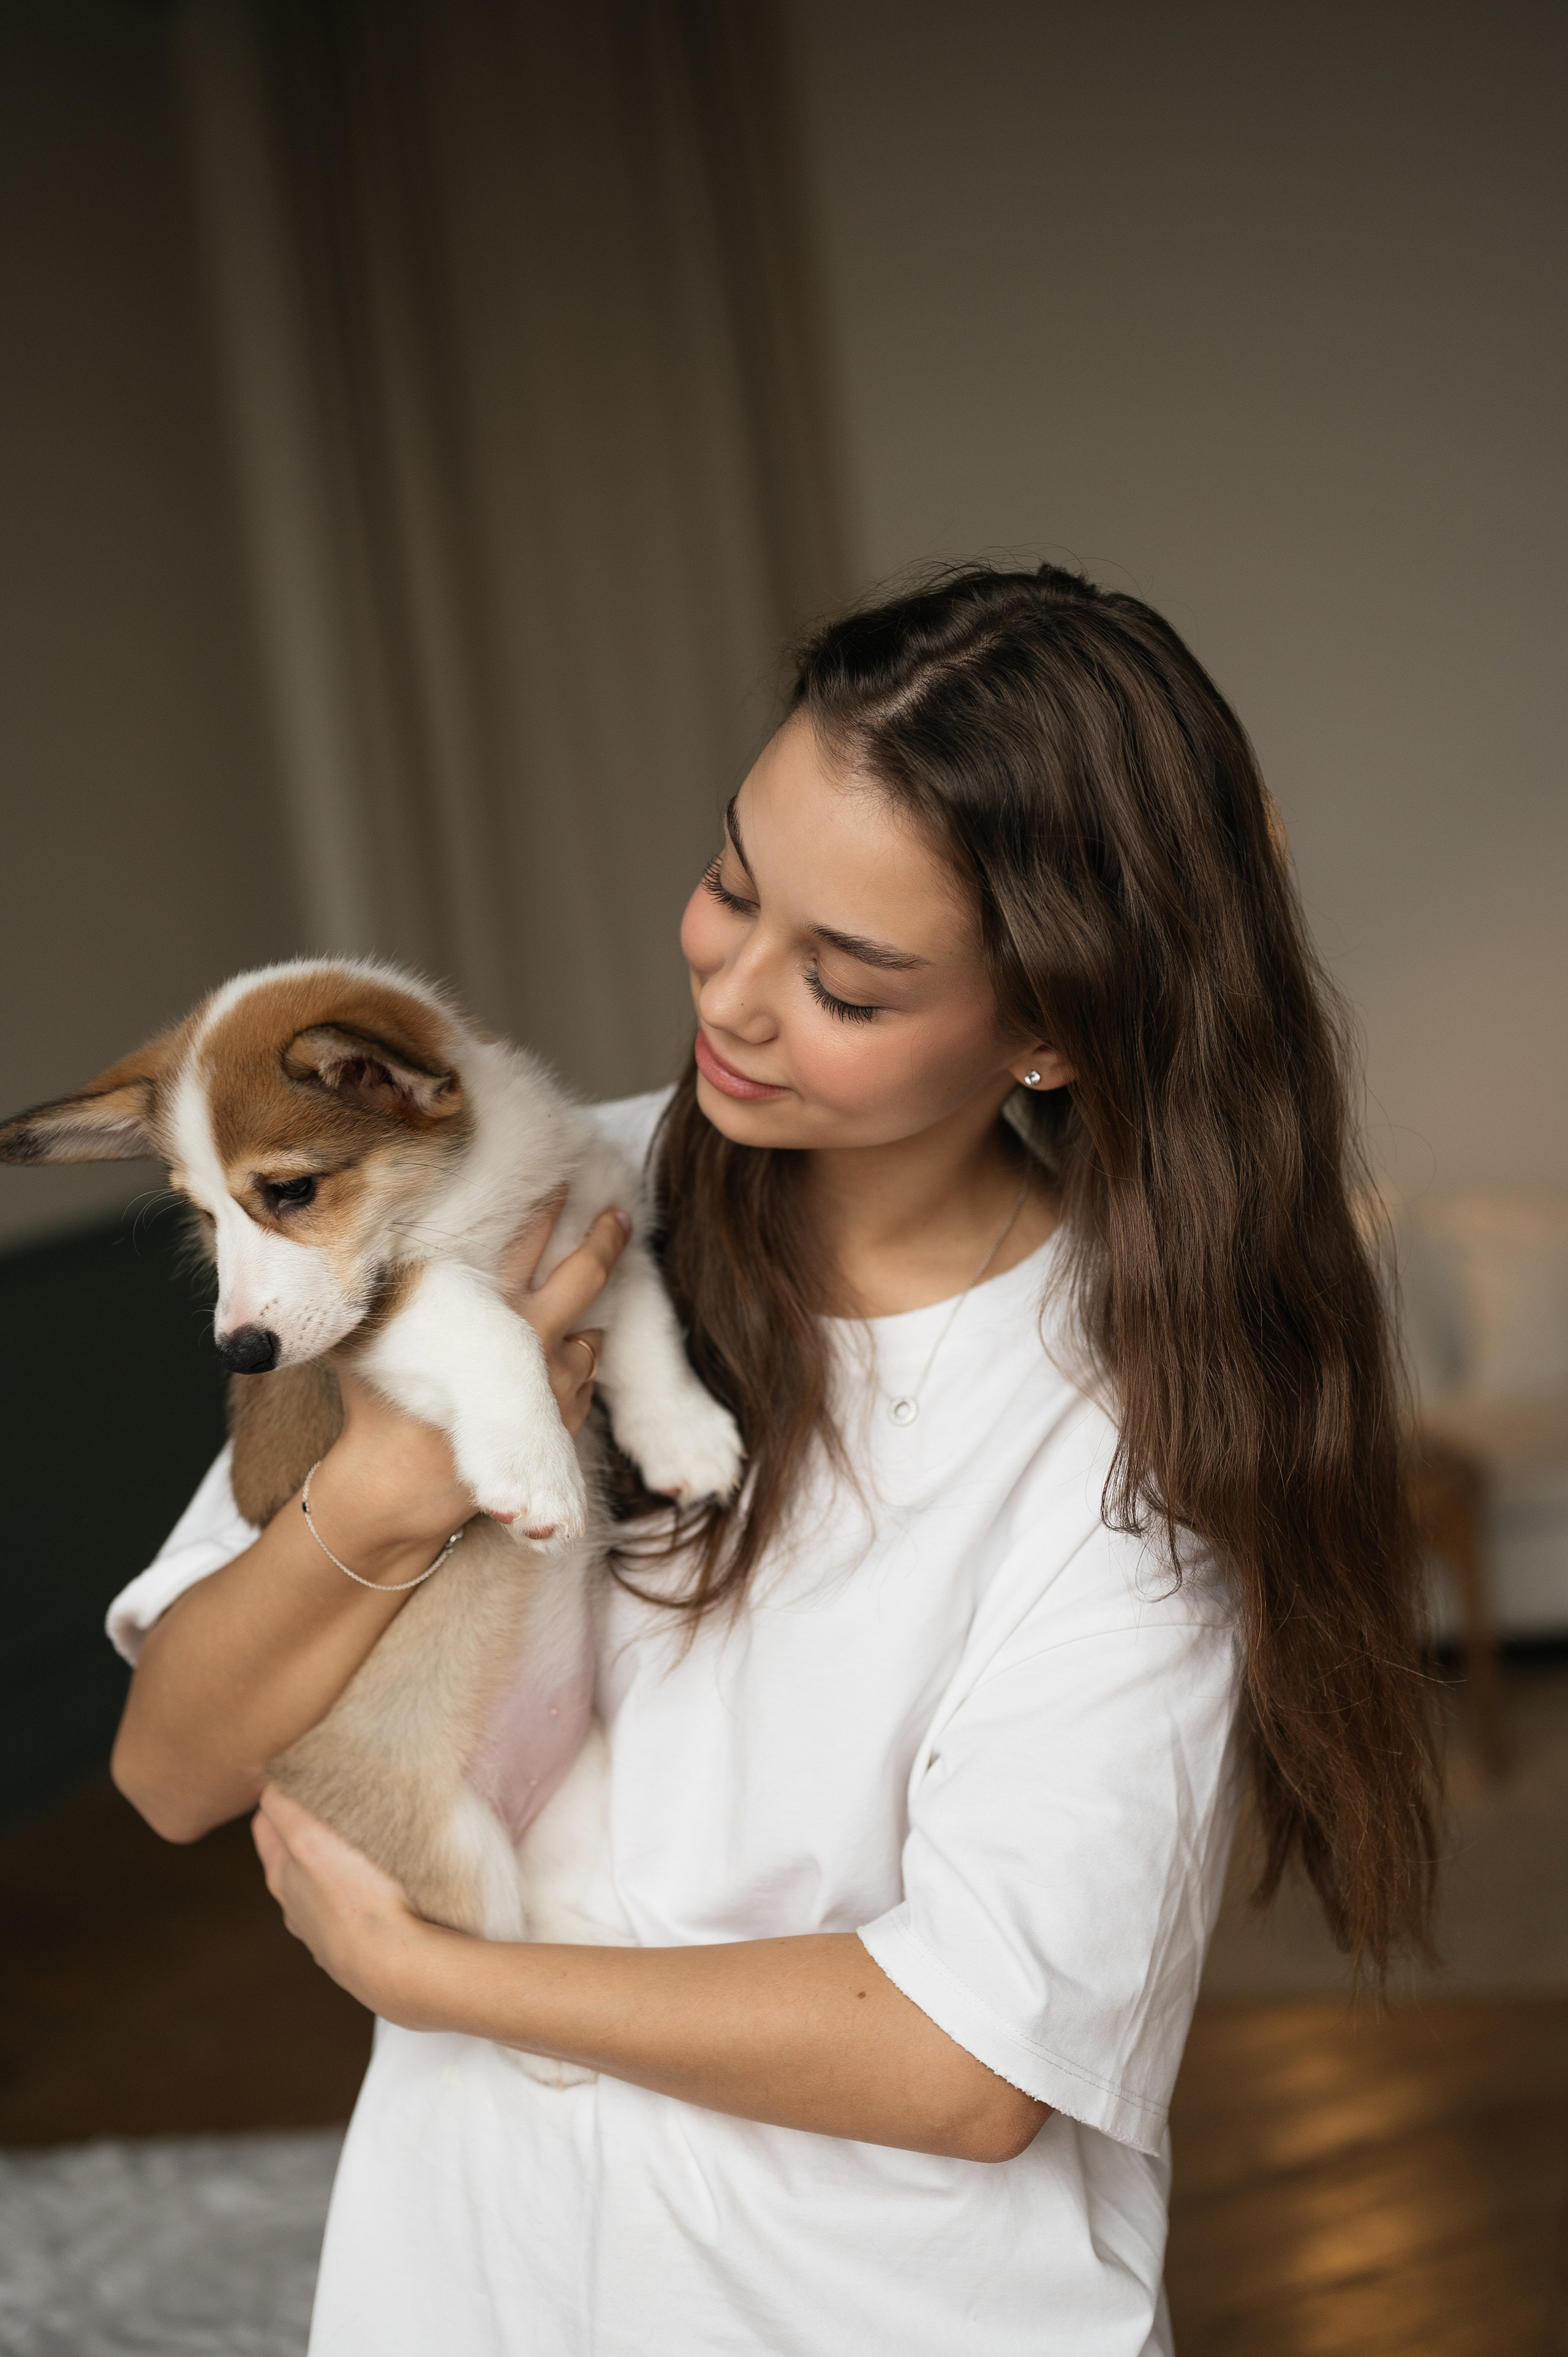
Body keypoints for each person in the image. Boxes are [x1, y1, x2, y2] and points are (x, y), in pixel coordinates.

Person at [108, 564, 1439, 2356]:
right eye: (733, 887)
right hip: (466, 2282)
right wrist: (389, 1485)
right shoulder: (520, 1205)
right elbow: (171, 1772)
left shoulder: (1132, 1425)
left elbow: (971, 2061)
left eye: (847, 984)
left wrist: (442, 1979)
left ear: (1053, 1030)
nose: (732, 998)